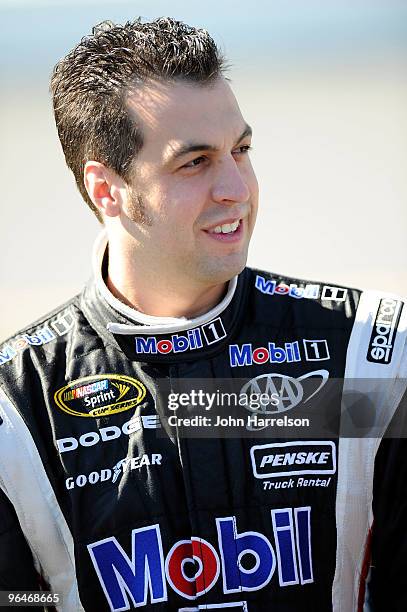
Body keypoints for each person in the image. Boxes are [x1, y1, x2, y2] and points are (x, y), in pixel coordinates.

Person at [0, 17, 406, 612]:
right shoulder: (16, 409)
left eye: (240, 151)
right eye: (195, 163)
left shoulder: (372, 352)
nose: (236, 189)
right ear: (105, 190)